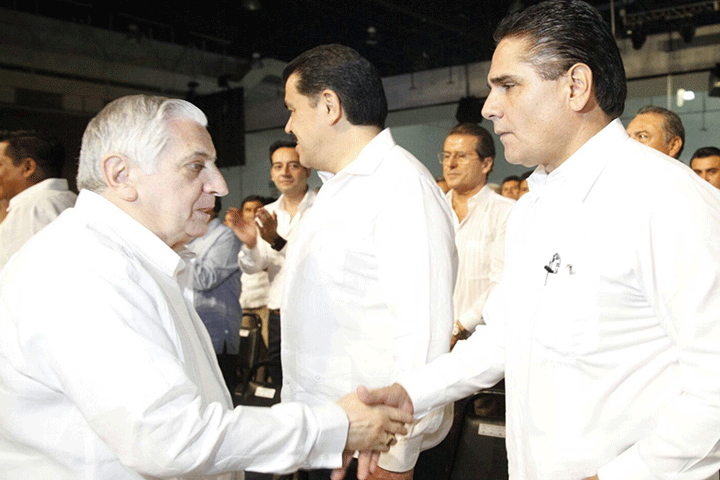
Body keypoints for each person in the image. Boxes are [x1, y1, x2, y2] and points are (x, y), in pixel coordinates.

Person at [361, 1, 720, 480]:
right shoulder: (533, 208)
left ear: (575, 86)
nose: (489, 107)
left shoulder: (667, 199)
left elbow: (715, 383)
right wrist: (410, 393)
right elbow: (506, 335)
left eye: (508, 85)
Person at [0, 94, 413, 480]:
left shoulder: (123, 259)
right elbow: (170, 437)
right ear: (121, 175)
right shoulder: (83, 269)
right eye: (196, 166)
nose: (220, 185)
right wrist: (335, 427)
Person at [278, 44, 457, 480]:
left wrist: (398, 457)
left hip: (373, 455)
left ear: (329, 106)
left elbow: (423, 332)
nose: (288, 126)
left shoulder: (401, 187)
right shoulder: (334, 191)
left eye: (292, 109)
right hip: (330, 438)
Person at [226, 139, 315, 383]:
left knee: (314, 381)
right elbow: (252, 267)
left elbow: (316, 261)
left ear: (307, 170)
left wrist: (276, 240)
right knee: (279, 380)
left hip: (314, 311)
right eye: (278, 166)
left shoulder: (322, 208)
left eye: (293, 165)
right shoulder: (268, 213)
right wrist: (250, 244)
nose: (285, 172)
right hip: (278, 312)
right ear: (271, 173)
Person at [440, 123, 514, 349]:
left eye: (461, 156)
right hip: (432, 339)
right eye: (446, 156)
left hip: (482, 342)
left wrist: (460, 326)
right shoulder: (432, 210)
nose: (451, 164)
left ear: (486, 164)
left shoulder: (506, 212)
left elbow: (502, 282)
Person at [0, 131, 76, 270]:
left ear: (28, 167)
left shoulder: (32, 208)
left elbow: (26, 275)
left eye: (0, 165)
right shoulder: (69, 199)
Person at [186, 196, 243, 354]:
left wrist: (175, 250)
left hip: (215, 331)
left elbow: (205, 279)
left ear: (208, 207)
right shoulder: (191, 238)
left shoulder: (226, 236)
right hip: (192, 330)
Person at [236, 194, 272, 346]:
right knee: (247, 350)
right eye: (248, 210)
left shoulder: (271, 233)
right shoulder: (236, 235)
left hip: (266, 302)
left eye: (256, 209)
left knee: (269, 347)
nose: (252, 214)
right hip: (244, 302)